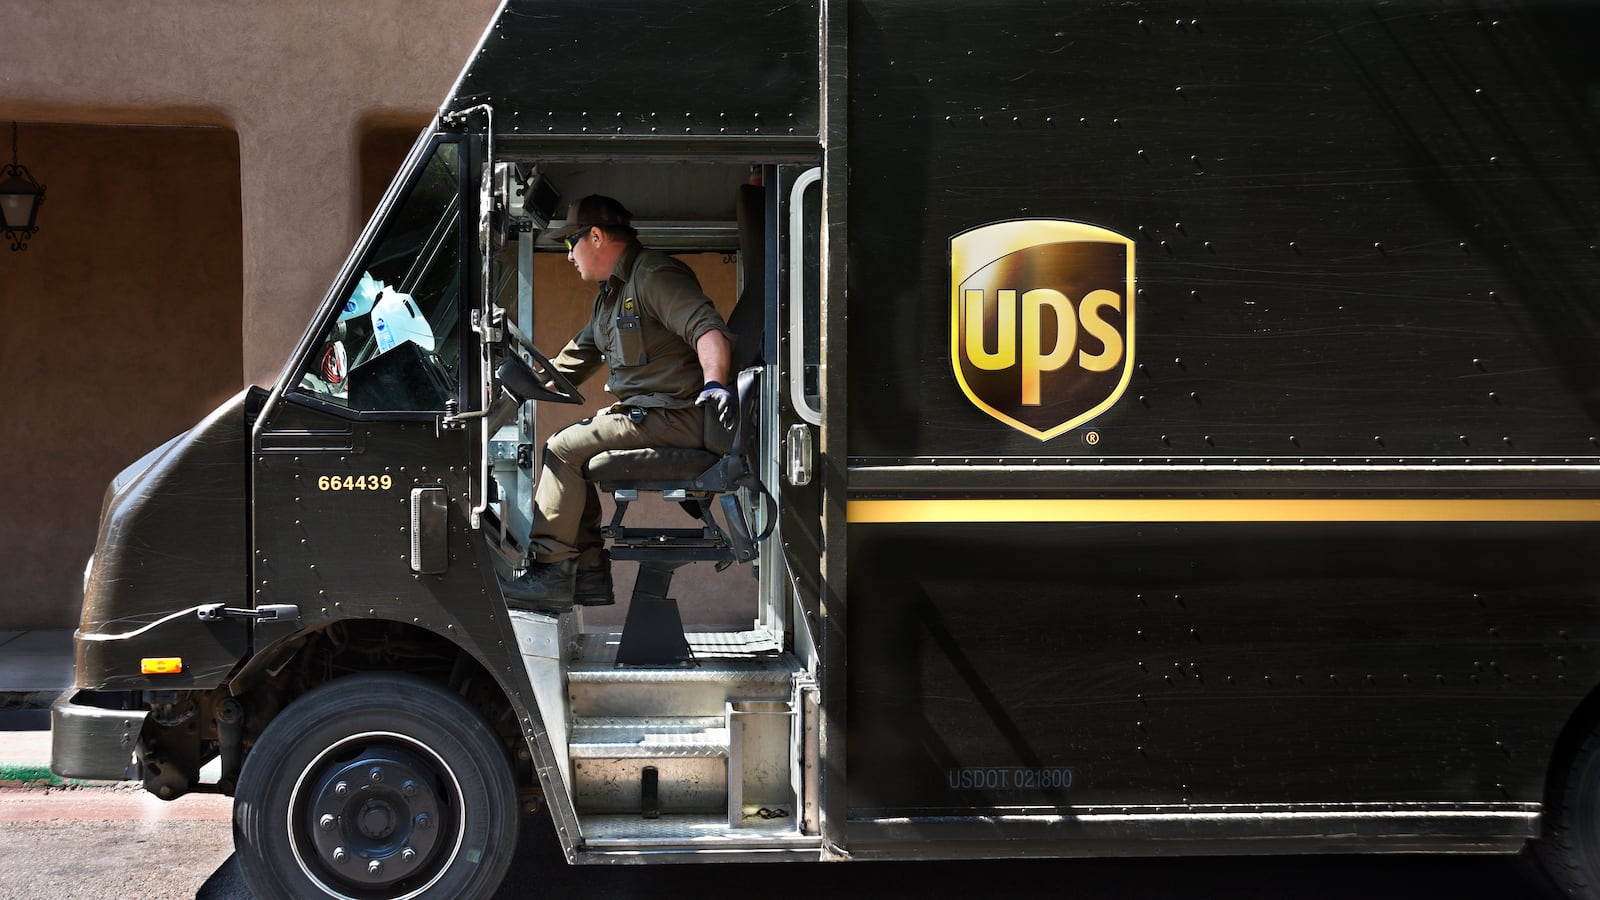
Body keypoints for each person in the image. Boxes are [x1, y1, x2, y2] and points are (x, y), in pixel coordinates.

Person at [500, 195, 736, 612]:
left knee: (563, 448)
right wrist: (513, 385)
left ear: (595, 236)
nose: (568, 254)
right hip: (651, 416)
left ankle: (551, 571)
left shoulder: (654, 275)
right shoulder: (610, 296)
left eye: (570, 242)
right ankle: (588, 573)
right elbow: (571, 361)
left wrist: (715, 382)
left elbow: (707, 329)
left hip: (677, 416)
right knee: (570, 444)